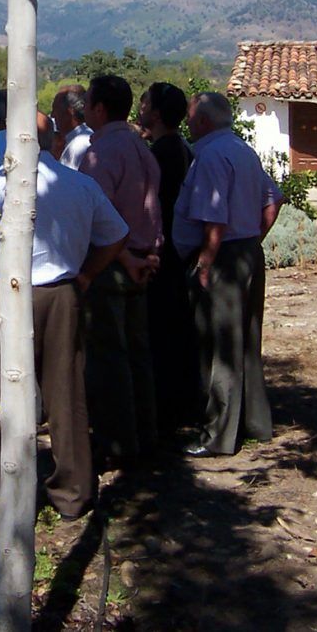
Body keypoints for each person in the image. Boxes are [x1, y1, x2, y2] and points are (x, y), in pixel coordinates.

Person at [0, 112, 128, 527]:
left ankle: (12, 493)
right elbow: (117, 233)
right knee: (66, 392)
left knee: (7, 394)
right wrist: (85, 275)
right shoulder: (79, 184)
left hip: (13, 294)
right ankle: (72, 492)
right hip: (63, 294)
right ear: (52, 142)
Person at [172, 92, 283, 458]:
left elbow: (214, 218)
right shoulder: (242, 149)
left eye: (191, 117)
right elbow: (274, 198)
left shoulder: (208, 155)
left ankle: (217, 435)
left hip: (222, 257)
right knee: (246, 340)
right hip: (246, 251)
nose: (187, 123)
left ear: (202, 121)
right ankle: (255, 422)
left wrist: (205, 262)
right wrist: (253, 237)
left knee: (220, 346)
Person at [79, 74, 161, 464]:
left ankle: (117, 444)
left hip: (114, 263)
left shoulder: (101, 154)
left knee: (109, 358)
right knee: (137, 356)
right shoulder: (141, 147)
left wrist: (124, 258)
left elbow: (98, 216)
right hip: (142, 260)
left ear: (98, 108)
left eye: (87, 104)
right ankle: (145, 436)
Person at [138, 82, 197, 433]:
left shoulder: (161, 154)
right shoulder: (183, 149)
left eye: (144, 102)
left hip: (166, 252)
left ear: (156, 113)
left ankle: (170, 410)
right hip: (181, 250)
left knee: (164, 332)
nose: (140, 107)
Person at [54, 84, 92, 169]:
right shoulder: (86, 136)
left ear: (70, 111)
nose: (53, 115)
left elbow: (69, 181)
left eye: (55, 109)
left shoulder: (78, 145)